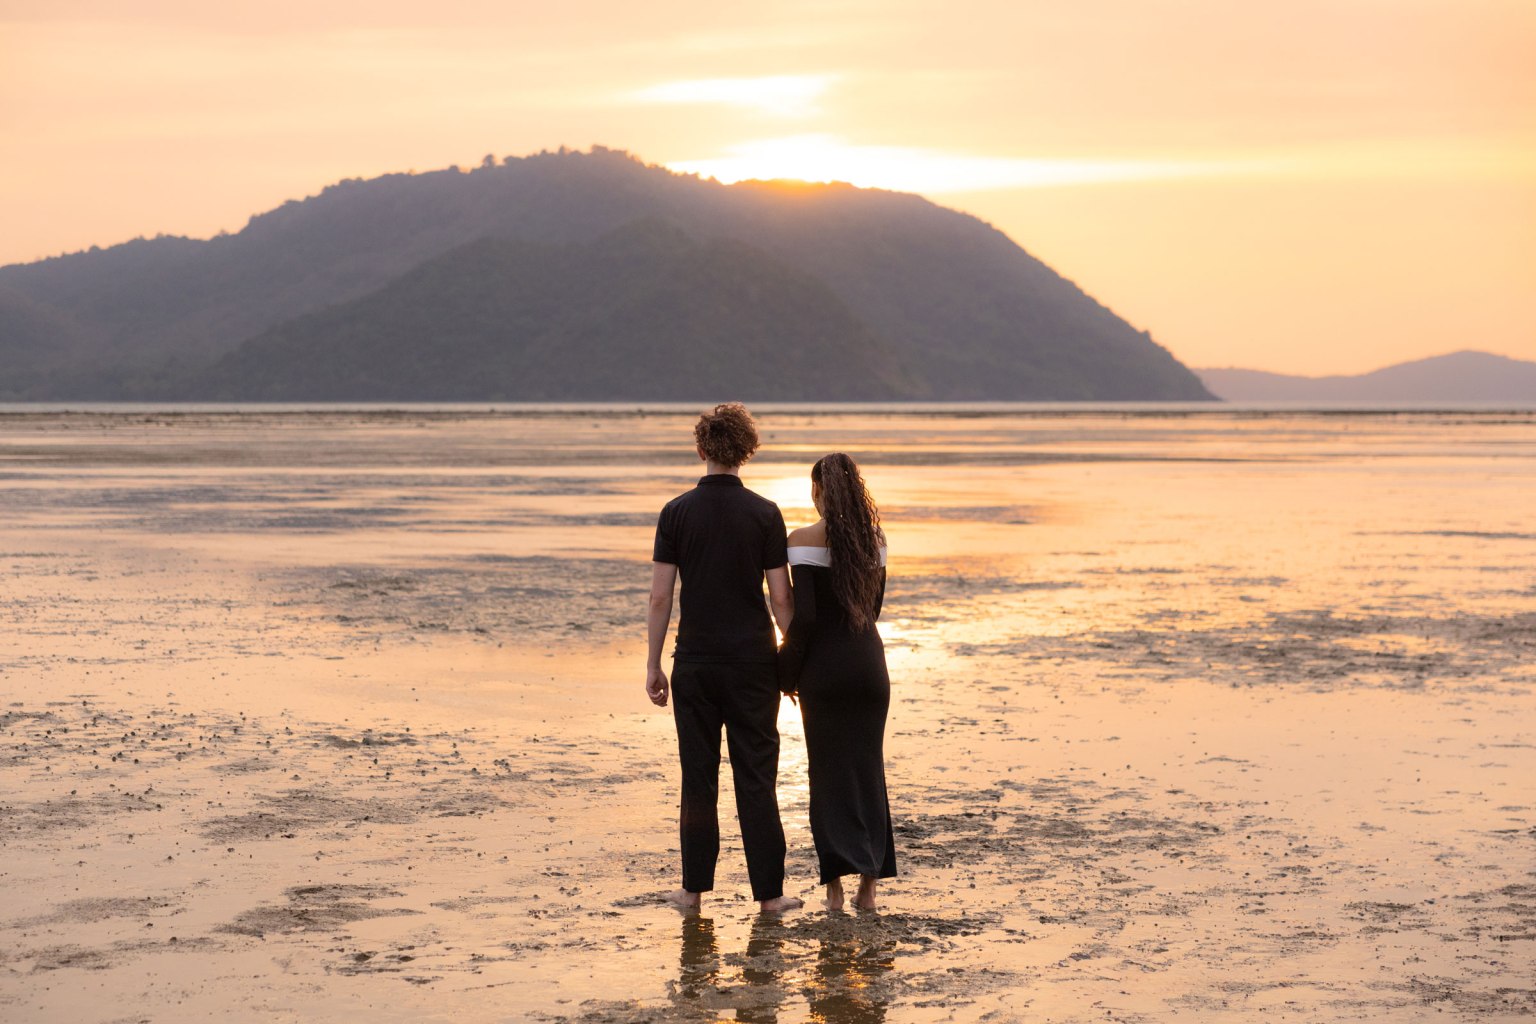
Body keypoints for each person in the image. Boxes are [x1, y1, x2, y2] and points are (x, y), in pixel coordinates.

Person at [646, 402, 803, 915]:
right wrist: (796, 659)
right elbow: (781, 600)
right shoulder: (764, 513)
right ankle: (770, 896)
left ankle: (692, 892)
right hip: (753, 665)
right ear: (746, 451)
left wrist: (654, 664)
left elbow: (660, 598)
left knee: (698, 776)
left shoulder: (676, 512)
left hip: (695, 663)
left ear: (701, 447)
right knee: (756, 777)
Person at [778, 452, 897, 911]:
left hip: (824, 672)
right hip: (870, 665)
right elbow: (874, 610)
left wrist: (785, 672)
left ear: (817, 492)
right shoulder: (876, 542)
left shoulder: (801, 541)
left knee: (827, 775)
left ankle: (835, 889)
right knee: (869, 770)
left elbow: (804, 620)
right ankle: (870, 886)